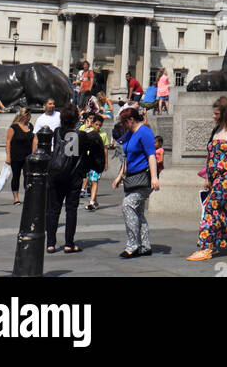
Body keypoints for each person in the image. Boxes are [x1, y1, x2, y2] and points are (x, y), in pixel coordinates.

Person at [188, 96, 227, 259]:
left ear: (225, 113)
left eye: (216, 113)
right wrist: (208, 178)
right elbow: (210, 155)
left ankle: (206, 247)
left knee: (211, 208)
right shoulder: (216, 130)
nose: (213, 116)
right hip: (215, 178)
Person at [46, 104, 104, 254]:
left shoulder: (57, 132)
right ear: (76, 119)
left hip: (56, 175)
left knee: (53, 209)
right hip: (73, 177)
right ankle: (68, 244)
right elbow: (90, 148)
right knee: (71, 210)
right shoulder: (82, 136)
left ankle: (50, 243)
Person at [113, 106, 159, 257]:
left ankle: (133, 245)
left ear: (131, 120)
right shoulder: (130, 134)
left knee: (127, 206)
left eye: (124, 122)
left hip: (143, 177)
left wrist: (154, 177)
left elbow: (151, 155)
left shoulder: (144, 132)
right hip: (132, 177)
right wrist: (120, 176)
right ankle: (145, 246)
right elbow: (127, 158)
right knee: (138, 212)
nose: (122, 125)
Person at [5, 107, 36, 206]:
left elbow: (34, 140)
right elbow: (8, 142)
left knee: (28, 176)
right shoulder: (14, 127)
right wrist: (8, 156)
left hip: (28, 156)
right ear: (25, 116)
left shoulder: (30, 126)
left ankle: (28, 196)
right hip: (16, 156)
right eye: (29, 115)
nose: (30, 117)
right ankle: (16, 198)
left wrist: (33, 153)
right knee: (16, 176)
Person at [84, 115, 109, 210]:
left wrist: (106, 163)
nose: (98, 127)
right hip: (89, 160)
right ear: (92, 123)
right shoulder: (88, 132)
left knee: (94, 181)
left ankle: (91, 202)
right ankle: (95, 201)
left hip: (98, 161)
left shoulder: (103, 135)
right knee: (90, 181)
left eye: (100, 125)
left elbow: (105, 149)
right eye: (96, 124)